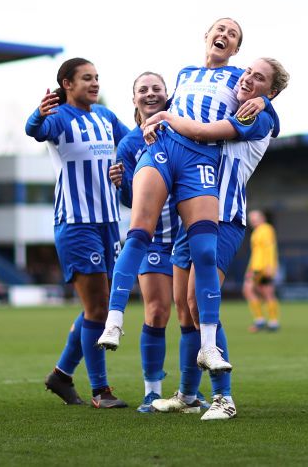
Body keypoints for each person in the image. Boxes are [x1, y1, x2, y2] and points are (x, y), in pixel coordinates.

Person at [97, 18, 263, 380]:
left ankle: (206, 350)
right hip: (166, 151)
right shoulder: (185, 74)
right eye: (219, 29)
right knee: (139, 231)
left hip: (200, 159)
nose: (224, 35)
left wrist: (264, 100)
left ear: (236, 49)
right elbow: (169, 111)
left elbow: (263, 101)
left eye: (232, 34)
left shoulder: (239, 79)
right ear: (206, 37)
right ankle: (114, 320)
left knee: (204, 254)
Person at [147, 57, 287, 421]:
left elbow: (199, 132)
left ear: (269, 91)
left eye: (259, 79)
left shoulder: (256, 118)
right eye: (248, 72)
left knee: (197, 302)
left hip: (224, 216)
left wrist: (165, 118)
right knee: (183, 307)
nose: (248, 78)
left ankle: (224, 397)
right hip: (191, 214)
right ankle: (188, 394)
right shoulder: (226, 104)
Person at [26, 57, 131, 409]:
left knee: (96, 307)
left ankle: (61, 375)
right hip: (76, 223)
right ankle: (101, 392)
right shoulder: (58, 118)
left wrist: (127, 170)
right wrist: (38, 114)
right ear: (67, 84)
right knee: (99, 306)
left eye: (97, 77)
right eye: (87, 78)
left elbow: (132, 144)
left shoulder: (105, 117)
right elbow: (35, 130)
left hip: (108, 223)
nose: (95, 83)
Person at [102, 71, 183, 413]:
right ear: (134, 99)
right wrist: (121, 185)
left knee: (192, 313)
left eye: (156, 88)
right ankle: (152, 392)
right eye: (143, 89)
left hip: (184, 235)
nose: (150, 94)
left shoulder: (183, 130)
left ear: (167, 95)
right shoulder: (130, 145)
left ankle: (190, 393)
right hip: (151, 240)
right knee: (157, 310)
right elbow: (132, 201)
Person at [244, 209, 280, 333]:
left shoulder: (266, 229)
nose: (252, 221)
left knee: (249, 290)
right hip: (256, 267)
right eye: (251, 219)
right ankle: (272, 322)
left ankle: (261, 321)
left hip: (262, 267)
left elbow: (270, 248)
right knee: (265, 292)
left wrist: (270, 266)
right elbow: (256, 252)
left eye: (255, 218)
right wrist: (250, 268)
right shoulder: (257, 231)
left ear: (262, 218)